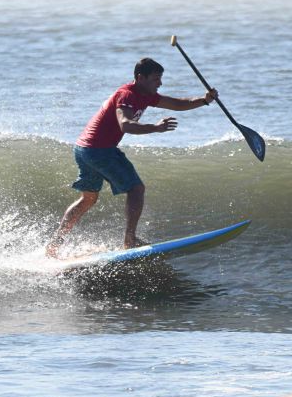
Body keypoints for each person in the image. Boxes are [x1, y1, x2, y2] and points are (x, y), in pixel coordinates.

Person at [45, 57, 217, 257]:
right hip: (99, 150)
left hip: (83, 148)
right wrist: (156, 128)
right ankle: (130, 240)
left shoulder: (147, 94)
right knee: (136, 189)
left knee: (88, 199)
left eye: (160, 78)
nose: (159, 83)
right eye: (155, 79)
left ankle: (54, 246)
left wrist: (204, 100)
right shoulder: (127, 95)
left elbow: (177, 104)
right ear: (140, 77)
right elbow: (125, 124)